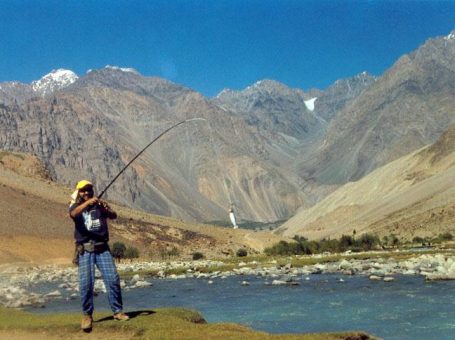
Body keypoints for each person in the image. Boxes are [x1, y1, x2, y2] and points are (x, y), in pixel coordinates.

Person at [69, 179, 129, 331]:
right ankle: (87, 316)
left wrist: (106, 209)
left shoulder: (99, 204)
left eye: (89, 190)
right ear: (78, 192)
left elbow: (114, 216)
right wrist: (87, 204)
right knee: (86, 284)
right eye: (83, 190)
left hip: (103, 249)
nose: (86, 193)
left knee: (113, 279)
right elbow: (73, 214)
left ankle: (117, 311)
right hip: (85, 250)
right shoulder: (75, 205)